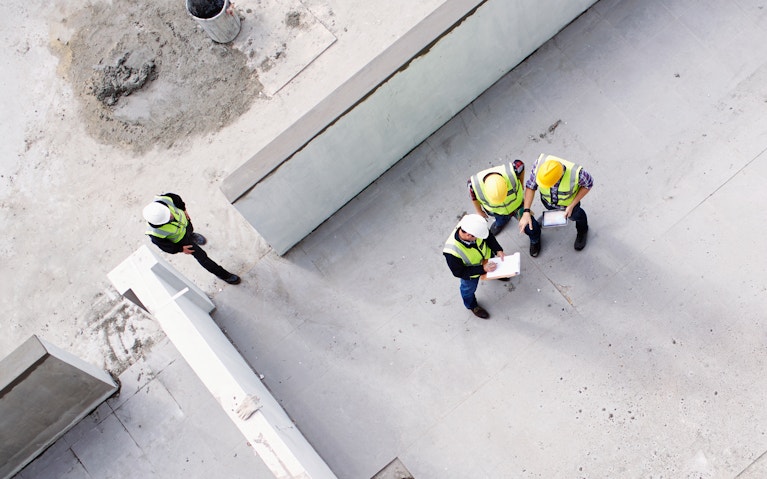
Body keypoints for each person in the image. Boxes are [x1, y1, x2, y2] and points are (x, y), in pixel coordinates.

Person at [142, 193, 241, 284]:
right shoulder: (155, 234)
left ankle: (192, 235)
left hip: (186, 225)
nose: (171, 215)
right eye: (168, 218)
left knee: (190, 230)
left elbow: (176, 198)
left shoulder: (164, 200)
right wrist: (181, 249)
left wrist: (183, 209)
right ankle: (223, 275)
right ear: (160, 223)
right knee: (203, 258)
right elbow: (166, 247)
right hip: (183, 241)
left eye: (169, 213)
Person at [518, 154, 593, 252]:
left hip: (569, 205)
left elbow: (588, 184)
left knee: (577, 216)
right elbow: (531, 187)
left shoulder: (578, 174)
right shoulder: (539, 165)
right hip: (548, 202)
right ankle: (551, 216)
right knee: (551, 210)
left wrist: (572, 205)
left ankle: (582, 230)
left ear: (558, 178)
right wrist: (526, 211)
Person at [468, 160, 542, 256]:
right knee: (500, 219)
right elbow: (473, 197)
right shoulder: (473, 184)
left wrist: (521, 182)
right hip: (497, 211)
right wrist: (479, 211)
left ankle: (535, 239)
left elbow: (521, 166)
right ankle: (501, 222)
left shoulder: (513, 170)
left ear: (505, 184)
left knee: (530, 226)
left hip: (517, 206)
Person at [443, 214, 508, 319]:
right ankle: (472, 306)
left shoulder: (474, 227)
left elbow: (489, 237)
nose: (480, 238)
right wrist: (482, 269)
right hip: (471, 274)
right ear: (469, 235)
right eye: (477, 237)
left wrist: (498, 250)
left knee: (494, 268)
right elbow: (459, 272)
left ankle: (495, 274)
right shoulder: (451, 252)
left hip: (487, 259)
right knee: (468, 290)